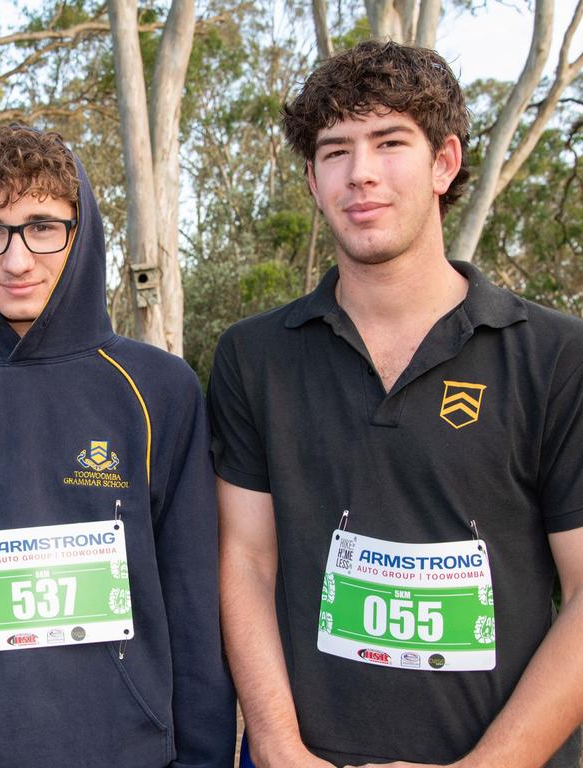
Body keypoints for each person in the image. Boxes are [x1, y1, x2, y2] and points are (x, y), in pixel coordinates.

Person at [209, 40, 583, 768]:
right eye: (335, 151)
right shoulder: (255, 358)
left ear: (444, 162)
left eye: (389, 142)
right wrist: (281, 750)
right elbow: (247, 561)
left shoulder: (556, 357)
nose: (362, 174)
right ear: (314, 182)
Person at [0, 125, 236, 767]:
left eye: (42, 226)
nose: (17, 258)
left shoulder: (159, 391)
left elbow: (196, 611)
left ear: (79, 233)